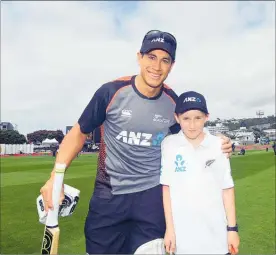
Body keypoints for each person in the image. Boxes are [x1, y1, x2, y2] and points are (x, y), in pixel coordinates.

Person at [40, 30, 233, 254]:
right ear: (139, 57)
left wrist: (221, 142)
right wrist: (56, 176)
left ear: (172, 65)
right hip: (109, 194)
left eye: (165, 60)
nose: (157, 66)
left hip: (151, 198)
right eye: (151, 57)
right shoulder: (111, 92)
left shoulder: (172, 103)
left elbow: (192, 131)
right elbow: (79, 133)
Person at [161, 91, 240, 255]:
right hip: (183, 240)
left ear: (206, 117)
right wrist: (169, 229)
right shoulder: (169, 145)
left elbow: (227, 189)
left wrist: (232, 229)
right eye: (186, 118)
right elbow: (167, 189)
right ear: (177, 118)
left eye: (198, 118)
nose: (192, 125)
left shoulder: (219, 145)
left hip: (217, 237)